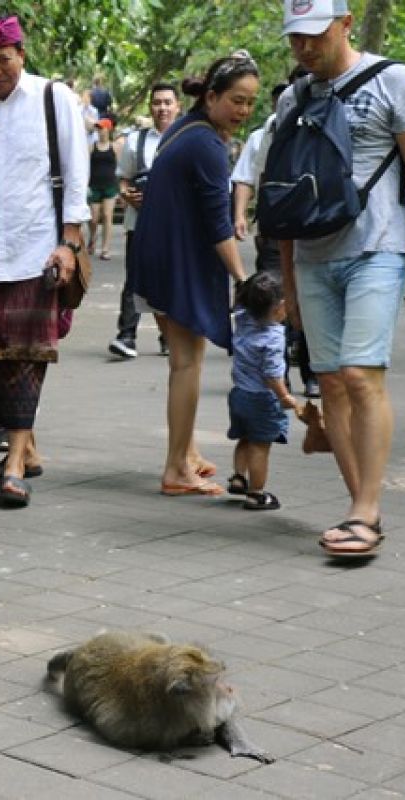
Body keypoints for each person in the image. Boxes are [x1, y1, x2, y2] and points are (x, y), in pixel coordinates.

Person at [277, 0, 405, 558]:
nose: (304, 48)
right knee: (328, 383)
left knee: (359, 373)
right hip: (311, 257)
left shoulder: (394, 81)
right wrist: (289, 286)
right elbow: (281, 197)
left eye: (315, 35)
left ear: (346, 24)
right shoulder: (292, 97)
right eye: (295, 38)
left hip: (377, 246)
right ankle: (362, 509)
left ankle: (365, 511)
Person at [0, 12, 89, 508]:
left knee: (25, 358)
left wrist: (70, 242)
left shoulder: (54, 99)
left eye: (2, 60)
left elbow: (76, 171)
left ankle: (12, 464)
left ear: (21, 55)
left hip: (36, 252)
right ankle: (26, 450)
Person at [131, 52, 257, 496]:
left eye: (249, 103)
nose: (242, 111)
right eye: (236, 101)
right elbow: (219, 225)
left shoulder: (188, 128)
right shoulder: (207, 145)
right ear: (212, 96)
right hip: (175, 264)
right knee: (187, 363)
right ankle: (175, 469)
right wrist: (244, 280)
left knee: (187, 362)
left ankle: (185, 453)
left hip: (157, 258)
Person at [231, 73, 319, 398]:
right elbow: (246, 178)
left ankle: (312, 373)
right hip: (274, 231)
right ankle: (278, 374)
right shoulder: (266, 132)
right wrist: (241, 214)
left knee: (312, 300)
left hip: (317, 230)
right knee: (272, 298)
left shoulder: (330, 122)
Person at [108, 82, 181, 359]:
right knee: (135, 278)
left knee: (171, 278)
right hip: (138, 223)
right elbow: (124, 178)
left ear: (177, 106)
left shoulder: (187, 138)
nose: (162, 108)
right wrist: (128, 196)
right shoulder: (135, 141)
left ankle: (169, 336)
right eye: (157, 103)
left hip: (175, 226)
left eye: (167, 102)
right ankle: (127, 335)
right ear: (150, 107)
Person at [226, 273, 300, 511]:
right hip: (262, 398)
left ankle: (238, 477)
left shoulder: (242, 318)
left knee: (245, 437)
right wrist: (284, 396)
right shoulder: (274, 337)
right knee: (260, 445)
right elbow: (272, 374)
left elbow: (239, 303)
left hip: (238, 394)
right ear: (279, 308)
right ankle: (256, 493)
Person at [87, 118, 119, 259]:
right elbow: (84, 165)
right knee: (93, 219)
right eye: (98, 128)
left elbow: (121, 168)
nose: (100, 130)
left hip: (110, 186)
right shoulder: (92, 146)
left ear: (109, 129)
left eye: (102, 128)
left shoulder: (115, 147)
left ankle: (105, 249)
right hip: (94, 185)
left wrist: (120, 188)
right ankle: (92, 239)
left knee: (107, 215)